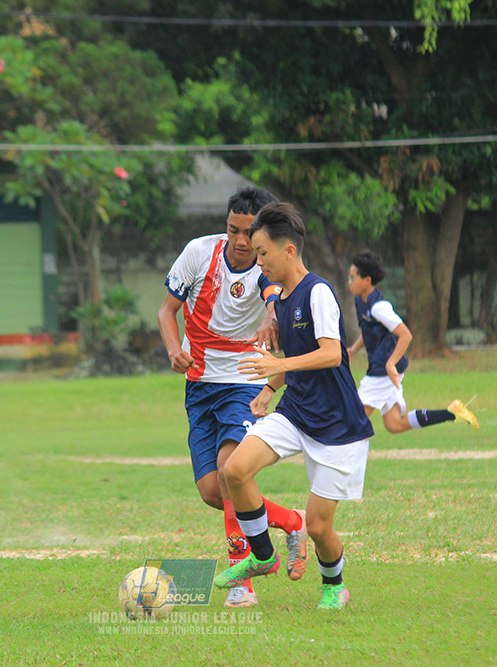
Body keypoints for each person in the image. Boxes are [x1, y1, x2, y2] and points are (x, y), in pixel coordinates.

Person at [212, 202, 374, 610]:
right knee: (234, 470)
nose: (257, 259)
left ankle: (335, 584)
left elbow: (332, 353)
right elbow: (293, 356)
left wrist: (278, 364)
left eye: (263, 252)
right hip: (296, 411)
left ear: (288, 251)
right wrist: (270, 388)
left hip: (339, 425)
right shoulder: (281, 298)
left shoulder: (317, 292)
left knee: (319, 527)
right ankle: (263, 555)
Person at [158, 187, 308, 609]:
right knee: (212, 489)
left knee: (229, 472)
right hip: (198, 383)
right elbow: (165, 311)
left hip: (243, 380)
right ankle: (289, 521)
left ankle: (244, 580)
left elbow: (275, 297)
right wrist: (174, 350)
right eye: (233, 230)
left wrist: (272, 318)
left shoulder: (267, 263)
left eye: (249, 233)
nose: (241, 242)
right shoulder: (198, 253)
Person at [346, 250, 479, 433]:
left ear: (367, 280)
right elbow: (369, 330)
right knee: (394, 424)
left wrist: (391, 364)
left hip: (383, 370)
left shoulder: (379, 307)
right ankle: (452, 413)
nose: (349, 282)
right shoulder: (360, 301)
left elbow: (405, 335)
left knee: (353, 419)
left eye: (353, 277)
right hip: (383, 367)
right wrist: (354, 349)